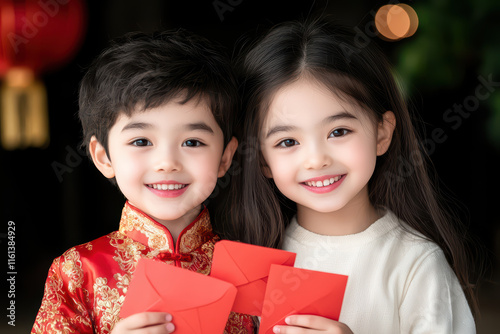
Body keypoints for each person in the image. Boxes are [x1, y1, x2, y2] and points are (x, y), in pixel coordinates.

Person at [223, 18, 480, 333]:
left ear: (382, 133)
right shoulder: (245, 260)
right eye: (288, 142)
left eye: (339, 131)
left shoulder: (415, 264)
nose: (317, 159)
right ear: (262, 159)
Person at [31, 30, 254, 334]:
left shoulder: (250, 269)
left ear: (225, 158)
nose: (167, 163)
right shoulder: (77, 271)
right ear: (103, 157)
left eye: (192, 142)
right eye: (140, 140)